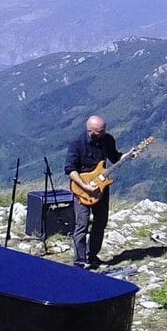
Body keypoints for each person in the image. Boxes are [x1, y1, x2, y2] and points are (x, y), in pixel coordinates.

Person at [66, 114, 122, 269]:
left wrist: (128, 156)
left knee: (100, 222)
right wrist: (84, 186)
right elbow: (70, 169)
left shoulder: (107, 140)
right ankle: (79, 261)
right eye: (100, 131)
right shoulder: (77, 143)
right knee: (82, 224)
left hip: (101, 188)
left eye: (104, 130)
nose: (103, 133)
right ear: (91, 131)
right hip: (81, 189)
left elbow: (115, 158)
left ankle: (92, 256)